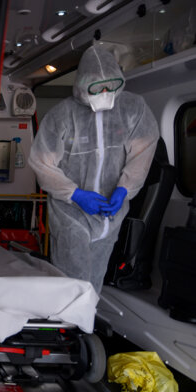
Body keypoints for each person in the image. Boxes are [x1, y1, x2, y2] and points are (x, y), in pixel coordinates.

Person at [28, 45, 159, 293]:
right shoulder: (62, 115)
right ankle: (69, 327)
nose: (105, 92)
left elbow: (144, 150)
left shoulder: (133, 108)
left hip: (111, 212)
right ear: (81, 85)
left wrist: (124, 189)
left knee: (95, 281)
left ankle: (86, 322)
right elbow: (41, 162)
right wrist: (75, 194)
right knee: (72, 282)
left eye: (110, 85)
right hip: (71, 214)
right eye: (97, 87)